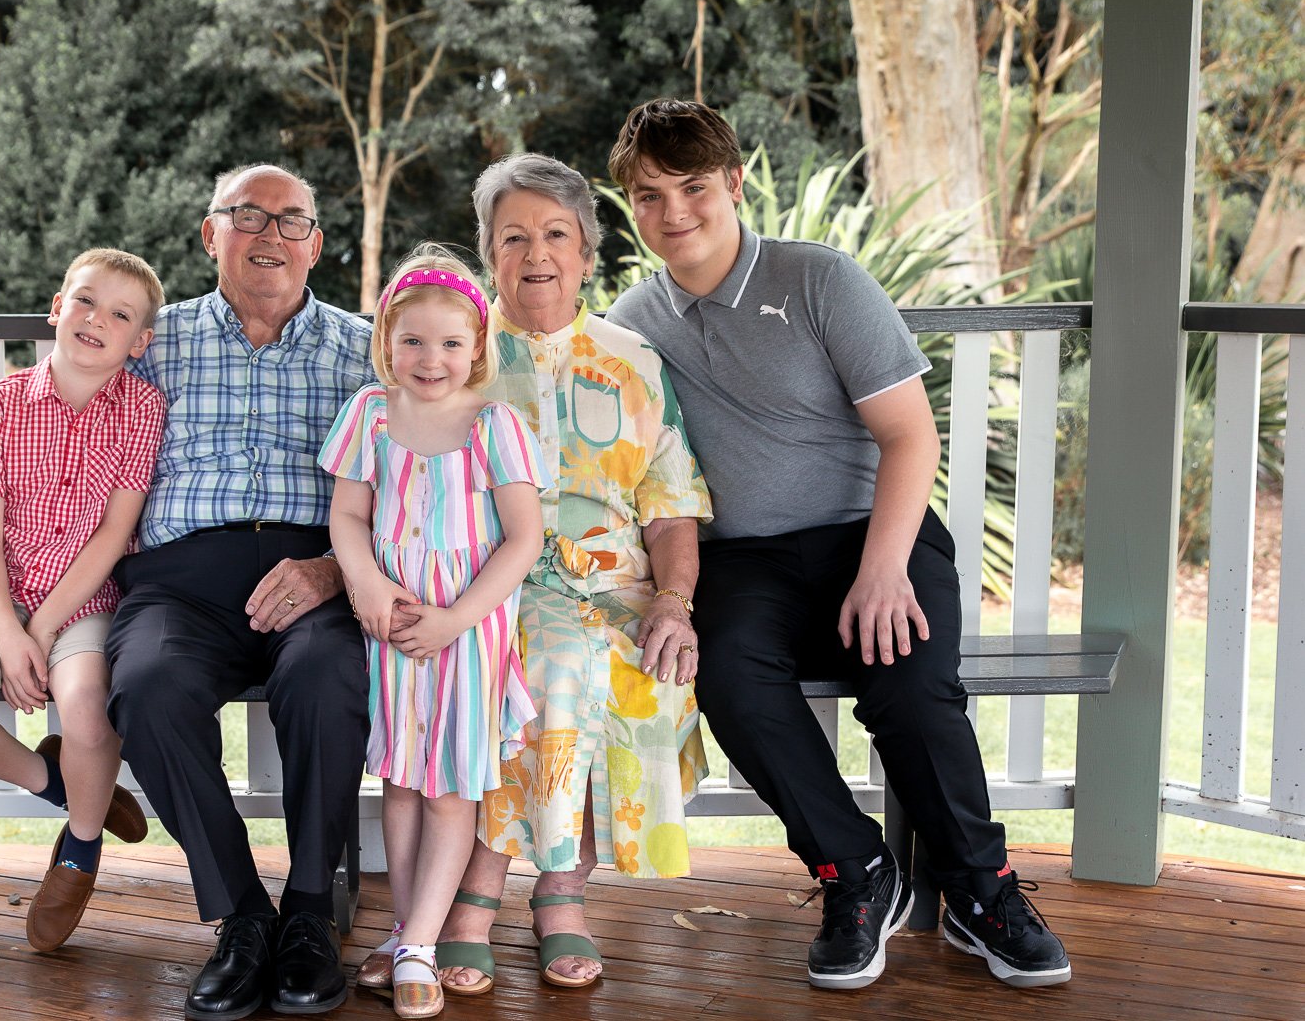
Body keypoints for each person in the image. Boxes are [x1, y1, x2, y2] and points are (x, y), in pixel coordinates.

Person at [605, 98, 1072, 990]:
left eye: (693, 187)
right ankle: (853, 869)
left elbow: (910, 435)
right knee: (730, 675)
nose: (674, 213)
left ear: (733, 183)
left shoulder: (819, 280)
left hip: (875, 533)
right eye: (650, 194)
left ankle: (984, 890)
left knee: (913, 686)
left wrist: (885, 569)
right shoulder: (633, 322)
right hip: (745, 561)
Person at [0, 164, 373, 1019]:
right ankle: (243, 914)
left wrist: (330, 571)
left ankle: (312, 915)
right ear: (210, 236)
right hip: (178, 582)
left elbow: (412, 478)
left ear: (317, 244)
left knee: (329, 680)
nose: (269, 235)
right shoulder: (151, 335)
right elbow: (46, 424)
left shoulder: (364, 346)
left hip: (313, 574)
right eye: (245, 216)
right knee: (145, 687)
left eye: (291, 222)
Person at [423, 153, 712, 997]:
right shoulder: (454, 357)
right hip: (483, 592)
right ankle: (541, 896)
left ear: (587, 252)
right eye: (514, 237)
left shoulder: (636, 361)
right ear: (489, 255)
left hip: (618, 594)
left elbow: (670, 504)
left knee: (617, 664)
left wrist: (674, 601)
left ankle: (508, 892)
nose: (536, 254)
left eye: (556, 235)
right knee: (551, 670)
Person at [0, 247, 166, 953]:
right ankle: (59, 784)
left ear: (138, 343)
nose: (95, 320)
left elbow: (115, 534)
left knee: (84, 704)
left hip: (86, 598)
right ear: (56, 307)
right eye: (83, 300)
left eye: (119, 314)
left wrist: (42, 630)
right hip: (0, 592)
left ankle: (80, 851)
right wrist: (8, 629)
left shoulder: (142, 410)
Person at [321, 245, 548, 1018]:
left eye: (451, 343)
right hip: (391, 626)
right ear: (388, 341)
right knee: (402, 782)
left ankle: (422, 940)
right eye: (412, 340)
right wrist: (367, 582)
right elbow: (348, 516)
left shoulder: (495, 425)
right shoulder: (371, 415)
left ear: (478, 347)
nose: (431, 358)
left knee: (450, 788)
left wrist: (456, 618)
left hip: (465, 633)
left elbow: (523, 539)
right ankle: (401, 934)